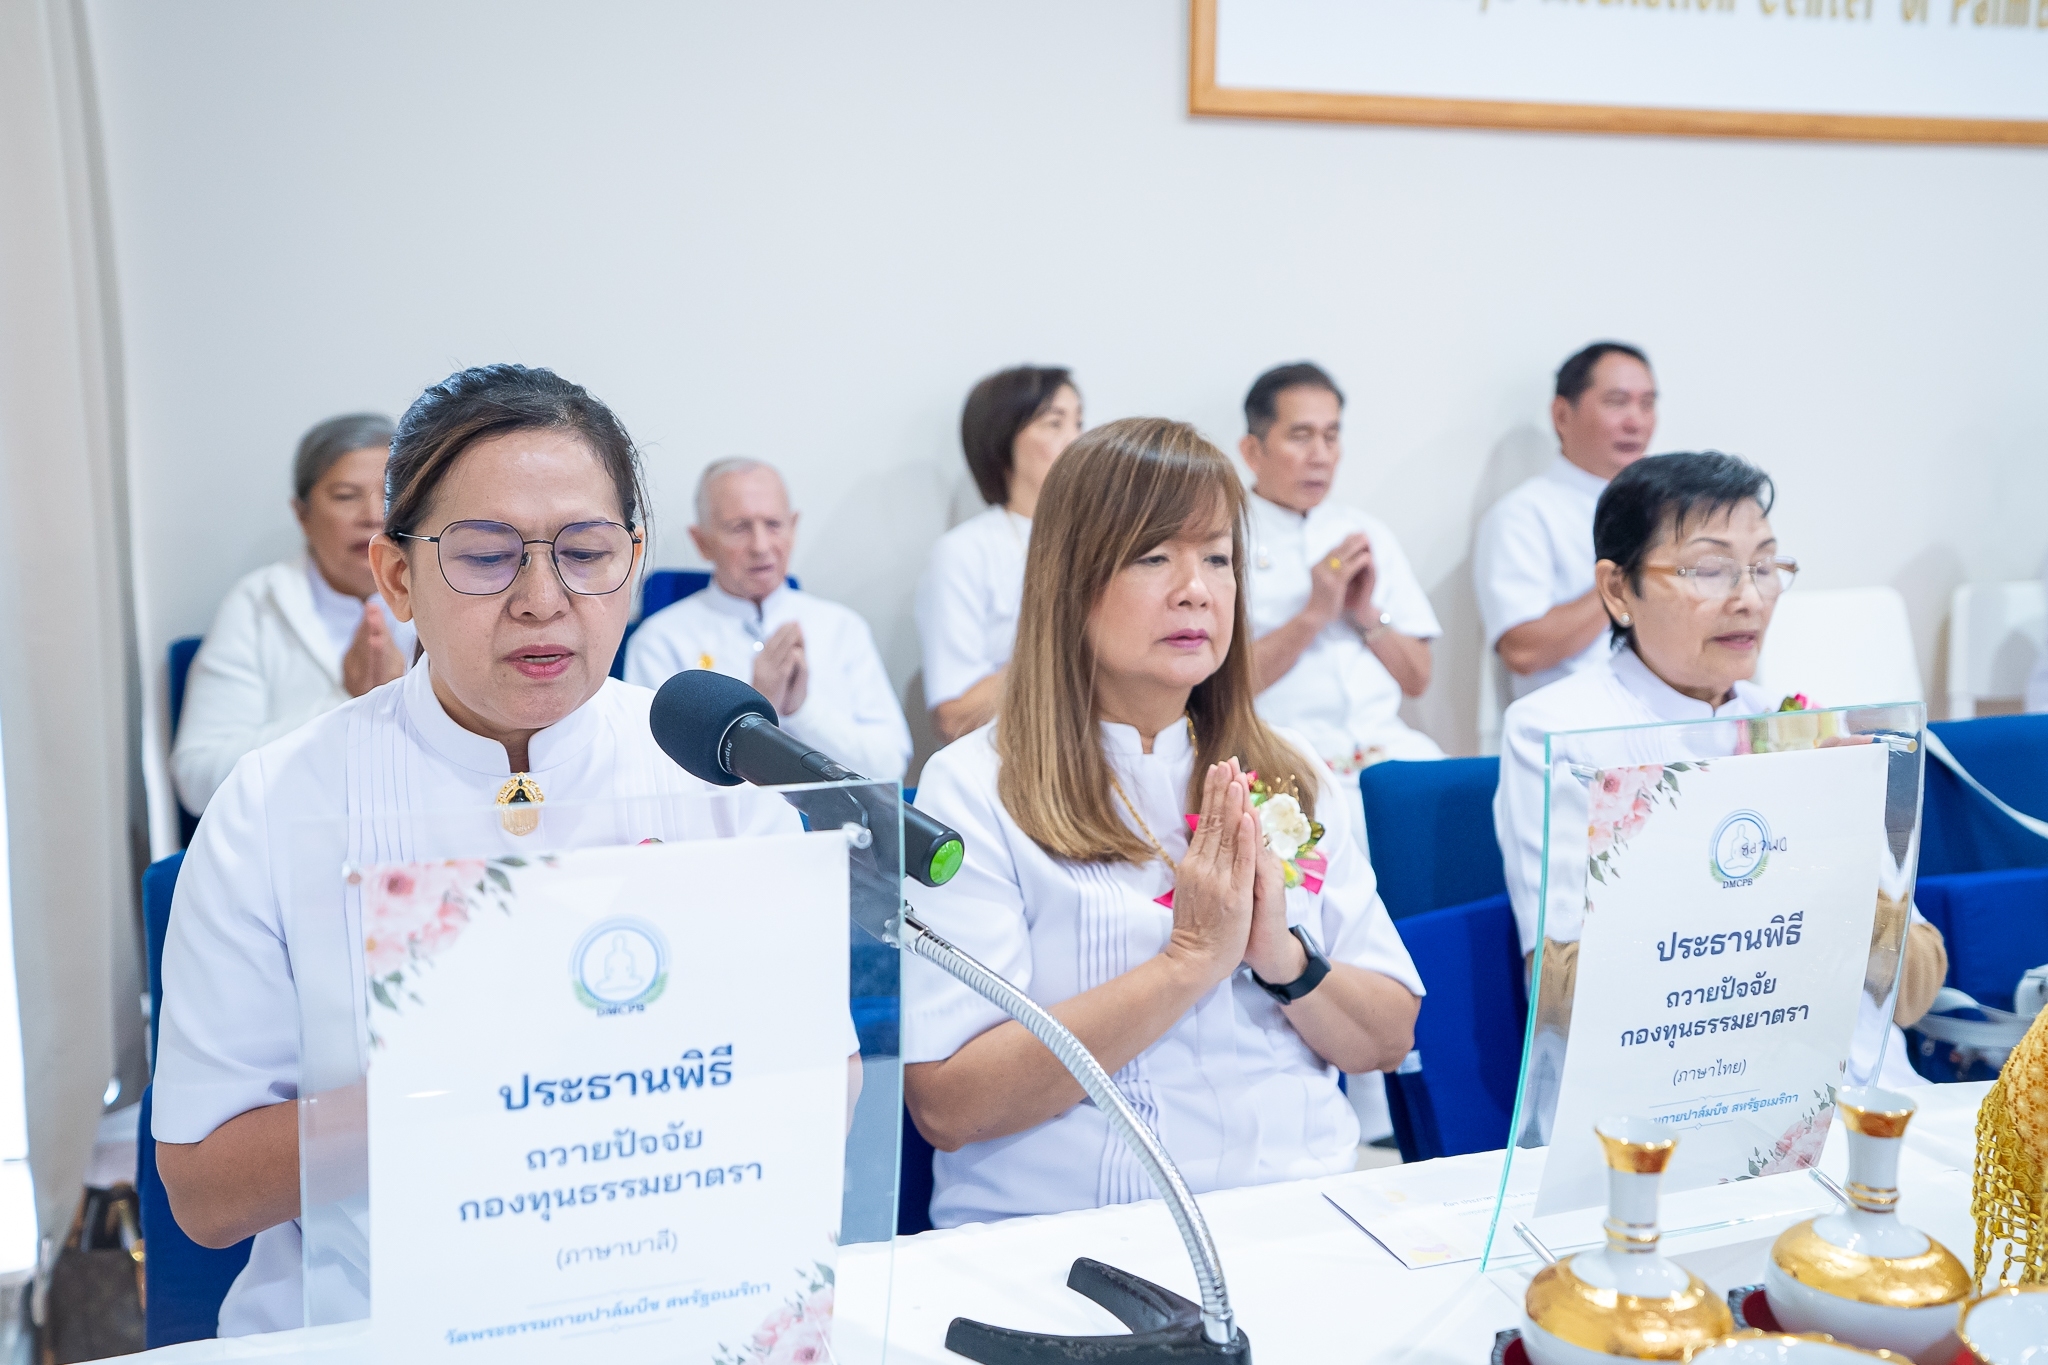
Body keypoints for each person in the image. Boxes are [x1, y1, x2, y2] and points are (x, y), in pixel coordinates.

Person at [151, 366, 841, 1335]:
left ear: (634, 561)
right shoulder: (277, 801)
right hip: (373, 1324)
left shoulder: (714, 774)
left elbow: (832, 1083)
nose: (541, 600)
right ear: (398, 575)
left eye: (586, 551)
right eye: (484, 556)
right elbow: (206, 1194)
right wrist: (481, 1073)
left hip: (673, 1306)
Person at [902, 417, 1422, 1229]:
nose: (1197, 589)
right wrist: (1187, 963)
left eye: (1217, 557)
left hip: (1302, 1204)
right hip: (1071, 1233)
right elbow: (952, 1103)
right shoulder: (975, 786)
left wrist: (1281, 958)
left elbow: (1389, 1033)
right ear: (1069, 580)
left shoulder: (1292, 770)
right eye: (1154, 557)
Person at [1493, 452, 1946, 1116]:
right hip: (1677, 1109)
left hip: (1863, 1095)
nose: (1749, 597)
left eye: (1764, 567)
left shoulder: (1797, 729)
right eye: (1709, 569)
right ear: (1617, 590)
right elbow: (1565, 991)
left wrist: (1845, 846)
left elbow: (1913, 990)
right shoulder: (1558, 732)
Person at [170, 413, 416, 812]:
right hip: (296, 840)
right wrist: (346, 700)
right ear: (302, 514)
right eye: (346, 495)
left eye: (390, 495)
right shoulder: (256, 604)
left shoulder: (447, 594)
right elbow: (199, 782)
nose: (373, 515)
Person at [625, 458, 911, 780]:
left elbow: (889, 767)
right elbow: (655, 778)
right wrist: (754, 712)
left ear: (793, 527)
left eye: (773, 525)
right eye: (739, 528)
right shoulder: (660, 641)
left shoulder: (842, 628)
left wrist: (802, 711)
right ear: (701, 541)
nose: (761, 547)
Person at [1239, 362, 1442, 774]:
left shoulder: (1365, 534)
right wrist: (1314, 614)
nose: (1320, 456)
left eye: (1331, 437)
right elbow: (1214, 691)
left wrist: (1366, 614)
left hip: (1386, 752)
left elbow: (1418, 680)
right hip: (1285, 763)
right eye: (1301, 436)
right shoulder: (1223, 539)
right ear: (1252, 451)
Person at [1475, 342, 1657, 701]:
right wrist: (1631, 567)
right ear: (1562, 415)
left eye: (1647, 404)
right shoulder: (1524, 514)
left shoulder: (1670, 510)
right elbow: (1523, 651)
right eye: (1617, 402)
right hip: (1575, 726)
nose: (1635, 421)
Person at [915, 366, 1082, 744]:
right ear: (1003, 439)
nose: (1075, 439)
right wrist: (1065, 642)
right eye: (1054, 424)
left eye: (1079, 422)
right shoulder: (965, 552)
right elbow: (953, 718)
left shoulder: (1106, 540)